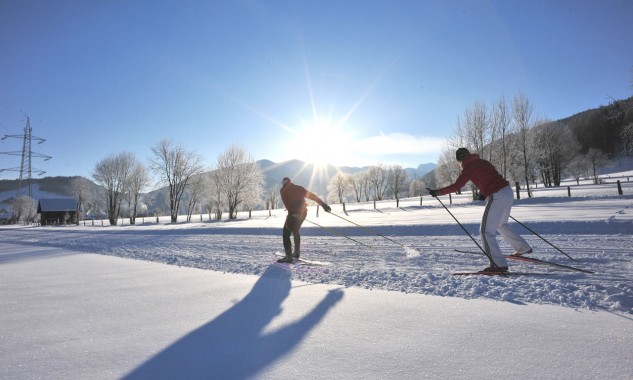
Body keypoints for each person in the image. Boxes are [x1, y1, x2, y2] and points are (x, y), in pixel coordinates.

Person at [427, 148, 532, 273]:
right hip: (507, 192)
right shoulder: (483, 162)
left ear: (460, 159)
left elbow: (457, 186)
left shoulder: (468, 167)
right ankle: (522, 248)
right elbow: (490, 177)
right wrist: (485, 192)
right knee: (501, 224)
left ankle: (497, 265)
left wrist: (438, 192)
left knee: (485, 231)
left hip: (497, 195)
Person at [277, 177, 331, 263]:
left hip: (293, 214)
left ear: (283, 183)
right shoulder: (299, 188)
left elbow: (287, 202)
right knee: (295, 230)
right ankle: (297, 253)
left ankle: (288, 256)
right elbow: (312, 196)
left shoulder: (282, 190)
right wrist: (323, 205)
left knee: (286, 234)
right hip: (303, 212)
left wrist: (293, 211)